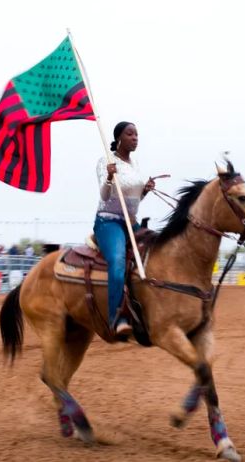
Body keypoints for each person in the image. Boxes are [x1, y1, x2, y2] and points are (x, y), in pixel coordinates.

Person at [93, 121, 155, 337]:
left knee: (157, 251)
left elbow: (132, 198)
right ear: (119, 138)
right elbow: (104, 196)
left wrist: (145, 191)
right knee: (118, 261)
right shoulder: (106, 162)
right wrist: (110, 177)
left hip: (131, 221)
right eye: (130, 134)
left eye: (137, 134)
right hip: (109, 222)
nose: (135, 138)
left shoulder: (134, 163)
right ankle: (116, 319)